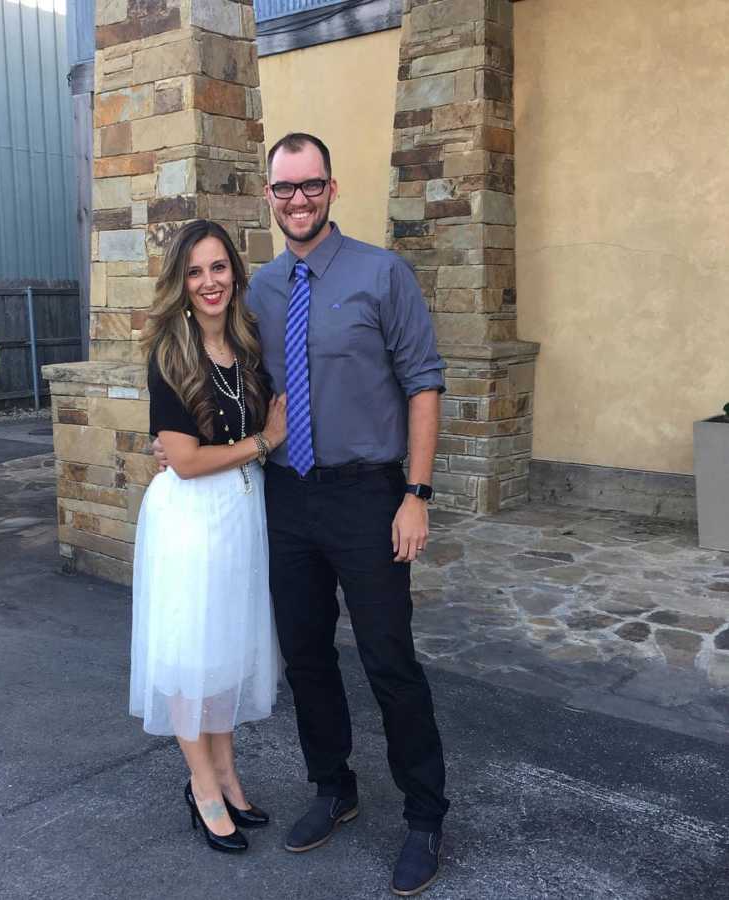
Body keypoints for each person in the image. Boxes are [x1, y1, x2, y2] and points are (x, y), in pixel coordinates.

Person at [249, 133, 450, 896]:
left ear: (332, 189)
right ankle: (333, 786)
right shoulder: (259, 289)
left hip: (369, 497)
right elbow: (231, 380)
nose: (296, 200)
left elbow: (424, 385)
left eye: (309, 186)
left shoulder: (381, 274)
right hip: (288, 497)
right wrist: (183, 443)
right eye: (283, 189)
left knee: (388, 660)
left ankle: (425, 814)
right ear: (269, 195)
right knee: (305, 656)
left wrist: (416, 495)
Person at [128, 219, 287, 854]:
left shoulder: (246, 348)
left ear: (235, 275)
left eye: (218, 268)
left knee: (222, 654)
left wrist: (255, 447)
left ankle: (227, 772)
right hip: (190, 521)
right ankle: (202, 786)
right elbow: (186, 461)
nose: (209, 282)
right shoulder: (169, 354)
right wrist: (261, 443)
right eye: (195, 272)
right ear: (181, 283)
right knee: (191, 656)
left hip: (239, 516)